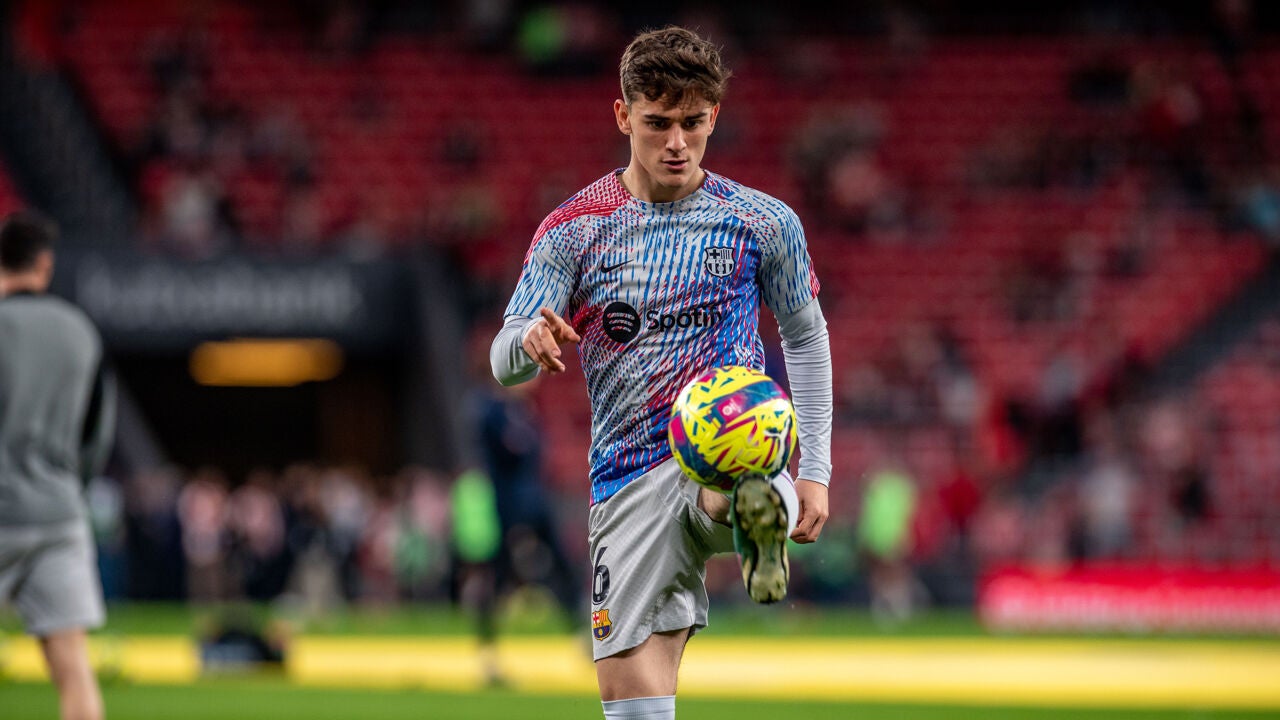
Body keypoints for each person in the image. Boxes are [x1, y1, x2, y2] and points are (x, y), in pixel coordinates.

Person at [489, 26, 832, 719]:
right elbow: (502, 360)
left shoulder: (762, 223)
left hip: (729, 444)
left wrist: (816, 469)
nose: (676, 142)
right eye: (657, 123)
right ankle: (751, 512)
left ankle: (750, 506)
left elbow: (805, 336)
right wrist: (528, 338)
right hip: (626, 480)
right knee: (634, 706)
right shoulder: (575, 230)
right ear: (623, 116)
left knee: (729, 460)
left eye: (692, 123)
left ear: (715, 117)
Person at [0, 211, 116, 720]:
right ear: (44, 264)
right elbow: (97, 436)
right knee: (73, 668)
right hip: (59, 514)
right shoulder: (80, 331)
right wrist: (72, 488)